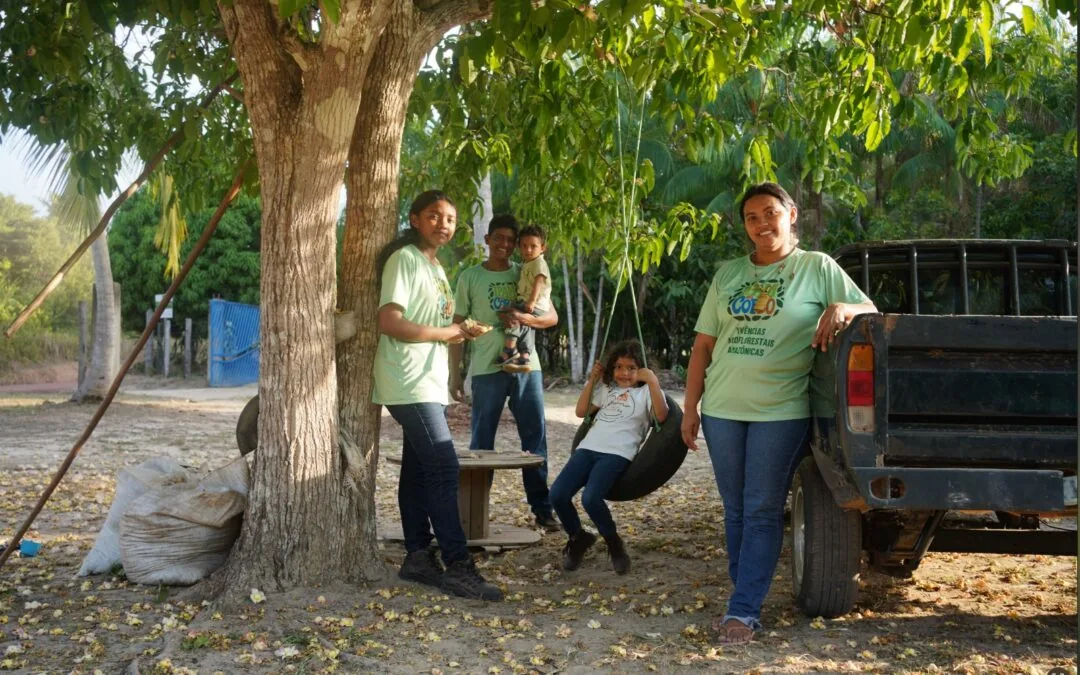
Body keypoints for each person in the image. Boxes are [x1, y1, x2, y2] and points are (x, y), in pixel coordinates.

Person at [680, 182, 877, 643]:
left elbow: (869, 309)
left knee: (762, 509)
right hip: (723, 410)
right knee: (735, 510)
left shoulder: (817, 267)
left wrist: (843, 306)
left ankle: (745, 609)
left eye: (770, 213)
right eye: (751, 218)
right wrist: (691, 408)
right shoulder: (728, 274)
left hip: (781, 410)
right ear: (745, 227)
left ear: (791, 214)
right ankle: (744, 592)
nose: (762, 224)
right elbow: (703, 347)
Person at [373, 190, 502, 602]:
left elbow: (438, 321)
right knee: (445, 469)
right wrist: (451, 333)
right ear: (414, 219)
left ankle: (417, 557)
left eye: (449, 218)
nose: (443, 224)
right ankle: (458, 566)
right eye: (434, 216)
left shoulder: (437, 267)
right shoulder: (404, 260)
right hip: (404, 379)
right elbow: (389, 321)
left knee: (417, 469)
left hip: (427, 383)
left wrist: (461, 332)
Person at [449, 215, 561, 532]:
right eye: (499, 238)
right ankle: (472, 513)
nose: (506, 245)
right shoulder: (469, 277)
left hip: (527, 367)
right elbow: (458, 327)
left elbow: (551, 317)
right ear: (487, 240)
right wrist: (455, 375)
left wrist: (520, 317)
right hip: (486, 369)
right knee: (481, 443)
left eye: (511, 240)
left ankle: (543, 510)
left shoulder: (528, 269)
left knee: (534, 441)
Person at [549, 340, 669, 575]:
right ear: (611, 369)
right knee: (558, 494)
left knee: (591, 498)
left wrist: (653, 381)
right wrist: (593, 380)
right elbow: (581, 412)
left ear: (642, 369)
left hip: (617, 453)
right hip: (588, 448)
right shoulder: (607, 390)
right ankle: (578, 536)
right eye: (619, 367)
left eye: (631, 368)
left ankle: (614, 543)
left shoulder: (647, 392)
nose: (624, 373)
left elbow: (662, 416)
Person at [495, 225, 552, 373]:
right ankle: (525, 356)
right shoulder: (528, 264)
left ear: (543, 247)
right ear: (519, 247)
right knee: (526, 326)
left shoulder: (539, 262)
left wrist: (531, 302)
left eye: (533, 246)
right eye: (524, 246)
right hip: (530, 303)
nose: (528, 250)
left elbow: (539, 282)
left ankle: (510, 348)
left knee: (514, 315)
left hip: (537, 304)